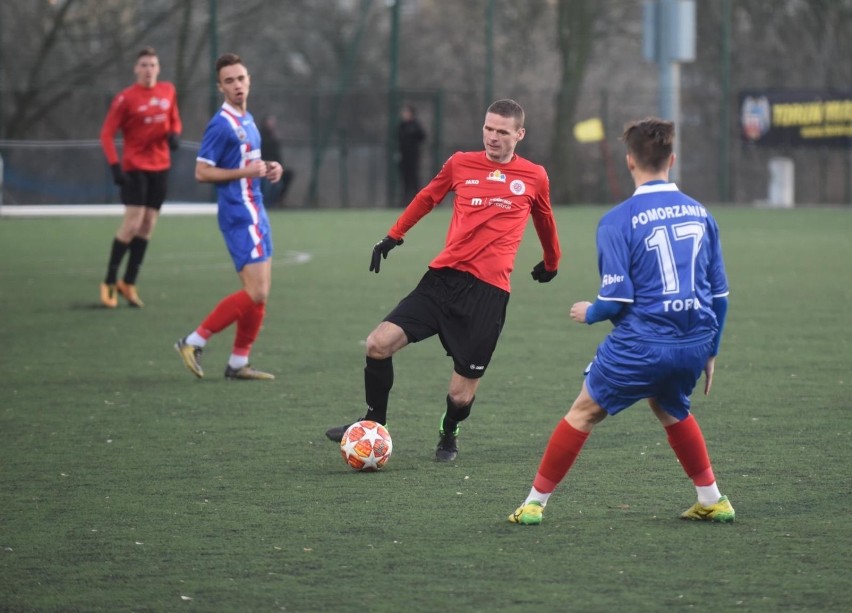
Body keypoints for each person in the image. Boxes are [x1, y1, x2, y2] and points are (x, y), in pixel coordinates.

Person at [508, 117, 734, 526]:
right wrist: (711, 350)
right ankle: (712, 498)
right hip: (695, 340)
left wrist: (588, 312)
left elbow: (614, 300)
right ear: (672, 159)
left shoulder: (617, 219)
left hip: (643, 345)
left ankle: (534, 504)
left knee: (582, 413)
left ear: (630, 161)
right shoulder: (702, 213)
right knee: (668, 404)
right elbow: (719, 294)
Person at [325, 99, 561, 461]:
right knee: (377, 344)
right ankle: (374, 423)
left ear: (519, 134)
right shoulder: (460, 163)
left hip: (487, 296)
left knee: (460, 396)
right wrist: (393, 236)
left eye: (501, 131)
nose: (493, 137)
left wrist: (551, 262)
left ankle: (449, 430)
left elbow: (545, 219)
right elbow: (427, 197)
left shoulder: (535, 175)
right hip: (442, 281)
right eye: (488, 128)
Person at [174, 53, 282, 381]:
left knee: (260, 291)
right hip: (238, 215)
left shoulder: (248, 120)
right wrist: (244, 171)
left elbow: (249, 165)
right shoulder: (221, 124)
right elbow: (201, 172)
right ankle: (193, 341)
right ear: (220, 87)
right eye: (230, 81)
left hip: (256, 210)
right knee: (256, 291)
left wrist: (268, 169)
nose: (237, 85)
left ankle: (238, 362)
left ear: (249, 81)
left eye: (241, 78)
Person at [99, 46, 182, 308]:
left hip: (161, 166)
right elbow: (106, 135)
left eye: (153, 65)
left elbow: (175, 121)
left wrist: (174, 134)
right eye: (144, 65)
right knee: (133, 223)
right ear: (136, 69)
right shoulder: (125, 98)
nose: (148, 70)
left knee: (148, 225)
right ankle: (109, 282)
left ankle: (129, 282)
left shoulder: (168, 90)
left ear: (158, 68)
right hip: (135, 167)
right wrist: (115, 166)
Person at [258, 114, 294, 207]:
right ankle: (265, 204)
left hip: (275, 165)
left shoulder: (274, 137)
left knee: (287, 176)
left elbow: (277, 155)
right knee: (268, 184)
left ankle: (277, 201)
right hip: (264, 166)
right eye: (270, 122)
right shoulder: (261, 137)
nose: (272, 124)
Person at [397, 103, 426, 206]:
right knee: (405, 180)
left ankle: (420, 201)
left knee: (414, 179)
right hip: (404, 158)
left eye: (407, 112)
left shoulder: (416, 126)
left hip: (413, 158)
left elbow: (422, 136)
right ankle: (404, 201)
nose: (404, 115)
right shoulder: (402, 126)